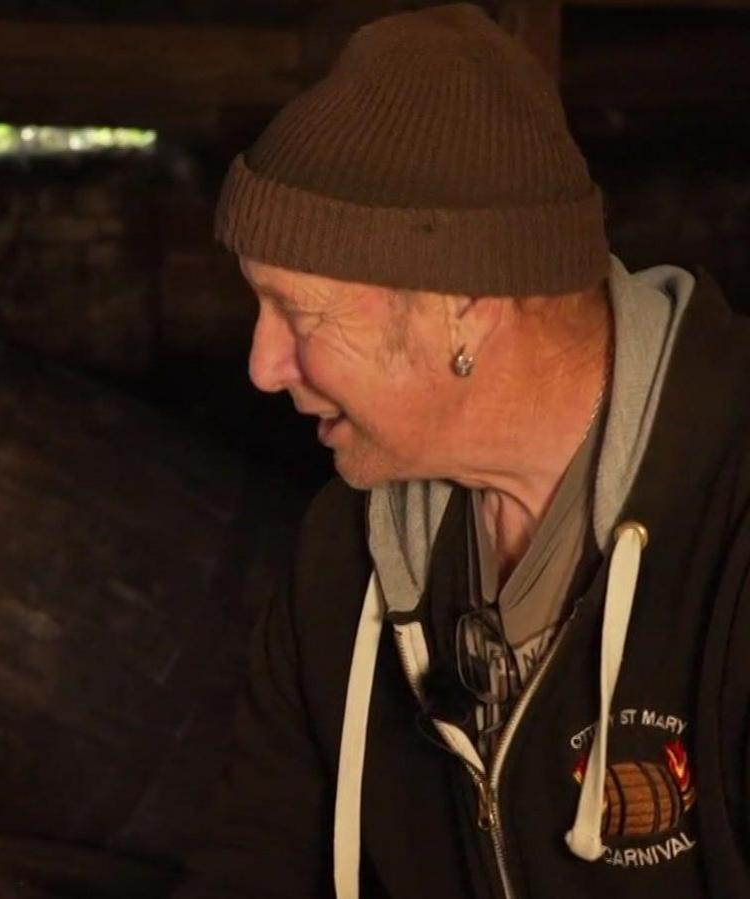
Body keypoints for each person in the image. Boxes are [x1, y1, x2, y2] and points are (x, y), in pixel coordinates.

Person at [182, 4, 750, 898]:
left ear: (466, 303)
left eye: (300, 311)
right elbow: (253, 859)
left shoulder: (733, 531)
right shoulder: (346, 558)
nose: (263, 364)